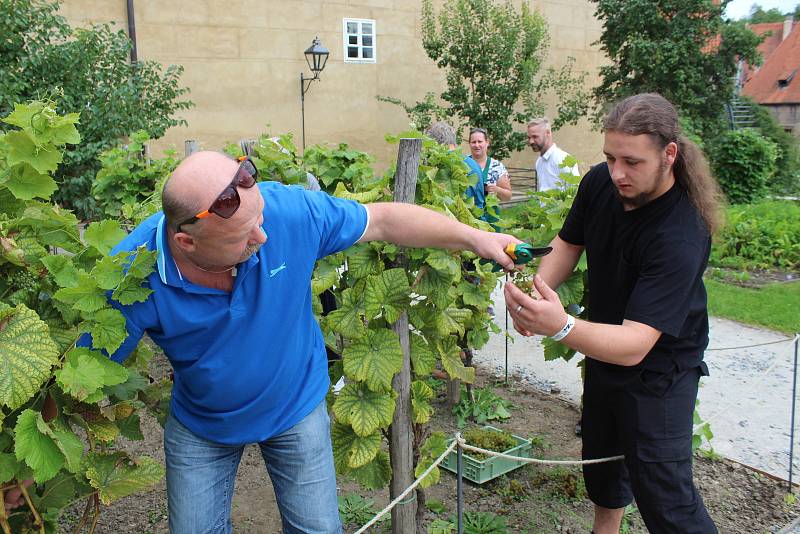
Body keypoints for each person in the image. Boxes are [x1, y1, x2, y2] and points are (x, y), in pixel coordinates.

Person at [83, 150, 520, 533]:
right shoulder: (129, 277)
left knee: (318, 529)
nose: (264, 238)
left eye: (260, 219)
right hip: (204, 424)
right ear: (185, 242)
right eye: (243, 237)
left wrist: (477, 238)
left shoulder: (286, 213)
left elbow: (384, 220)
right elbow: (82, 373)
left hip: (296, 406)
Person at [505, 94, 722, 533]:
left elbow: (636, 346)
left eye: (632, 161)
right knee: (603, 467)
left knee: (667, 498)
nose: (617, 172)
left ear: (669, 154)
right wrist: (537, 295)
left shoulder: (681, 232)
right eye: (609, 157)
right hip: (603, 348)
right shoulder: (600, 182)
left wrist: (560, 324)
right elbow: (568, 244)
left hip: (660, 372)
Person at [527, 117, 580, 192]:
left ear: (548, 133)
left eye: (535, 136)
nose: (531, 141)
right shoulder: (539, 162)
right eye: (529, 138)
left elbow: (575, 190)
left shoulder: (563, 159)